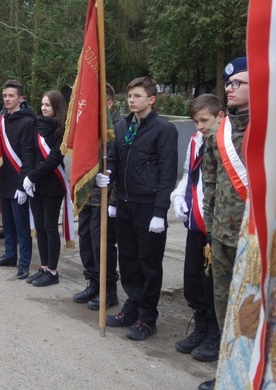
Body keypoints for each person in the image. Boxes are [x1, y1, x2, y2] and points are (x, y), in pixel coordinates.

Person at [98, 76, 178, 341]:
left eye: (138, 96)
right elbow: (117, 161)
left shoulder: (163, 129)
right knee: (128, 259)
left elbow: (167, 174)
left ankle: (147, 316)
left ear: (152, 99)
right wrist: (108, 182)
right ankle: (132, 305)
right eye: (130, 96)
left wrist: (159, 212)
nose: (131, 100)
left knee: (148, 262)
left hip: (148, 205)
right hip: (125, 202)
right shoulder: (122, 126)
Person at [198, 58, 249, 390]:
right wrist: (210, 227)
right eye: (228, 84)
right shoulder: (221, 132)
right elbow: (211, 183)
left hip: (255, 237)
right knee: (225, 304)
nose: (229, 89)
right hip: (221, 235)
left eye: (238, 84)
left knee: (253, 307)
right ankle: (230, 373)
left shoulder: (272, 127)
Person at [170, 94, 225, 361]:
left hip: (218, 225)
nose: (200, 126)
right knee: (192, 279)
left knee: (212, 283)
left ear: (219, 117)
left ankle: (215, 332)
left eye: (205, 120)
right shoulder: (195, 141)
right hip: (195, 222)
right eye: (196, 121)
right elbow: (187, 174)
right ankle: (200, 326)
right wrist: (178, 196)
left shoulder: (227, 144)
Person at [74, 83, 122, 310]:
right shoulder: (89, 126)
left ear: (109, 104)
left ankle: (108, 289)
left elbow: (117, 162)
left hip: (105, 195)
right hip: (87, 194)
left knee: (101, 244)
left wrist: (112, 192)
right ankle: (92, 282)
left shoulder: (118, 126)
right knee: (86, 240)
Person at [0, 80, 36, 280]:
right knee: (6, 223)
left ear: (20, 98)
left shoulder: (28, 121)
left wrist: (23, 185)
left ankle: (24, 262)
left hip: (18, 183)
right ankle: (9, 255)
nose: (7, 99)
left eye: (11, 96)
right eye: (5, 96)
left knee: (21, 226)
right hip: (3, 180)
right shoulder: (1, 118)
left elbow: (28, 156)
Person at [22, 90, 67, 287]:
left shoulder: (61, 129)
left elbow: (55, 158)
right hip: (35, 184)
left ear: (57, 107)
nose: (43, 108)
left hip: (52, 184)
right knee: (39, 227)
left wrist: (32, 175)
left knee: (49, 228)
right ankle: (43, 266)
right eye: (42, 104)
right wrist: (28, 177)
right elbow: (30, 151)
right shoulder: (36, 124)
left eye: (48, 105)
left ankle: (53, 271)